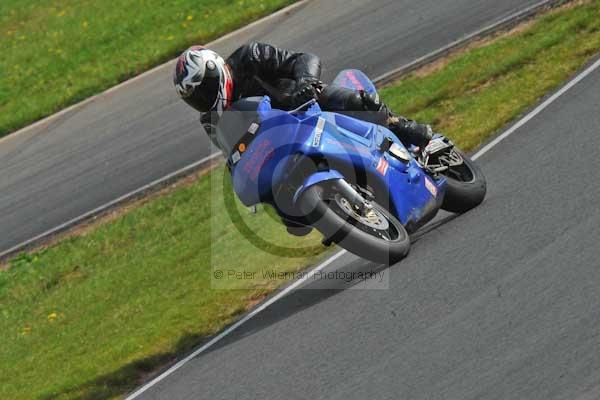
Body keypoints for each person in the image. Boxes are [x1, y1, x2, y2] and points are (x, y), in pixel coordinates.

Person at [173, 42, 433, 150]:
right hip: (281, 143)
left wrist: (305, 83)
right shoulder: (211, 120)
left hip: (306, 105)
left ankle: (401, 126)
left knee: (359, 103)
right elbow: (232, 151)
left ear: (215, 69)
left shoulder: (249, 57)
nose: (204, 98)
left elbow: (302, 59)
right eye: (195, 97)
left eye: (204, 88)